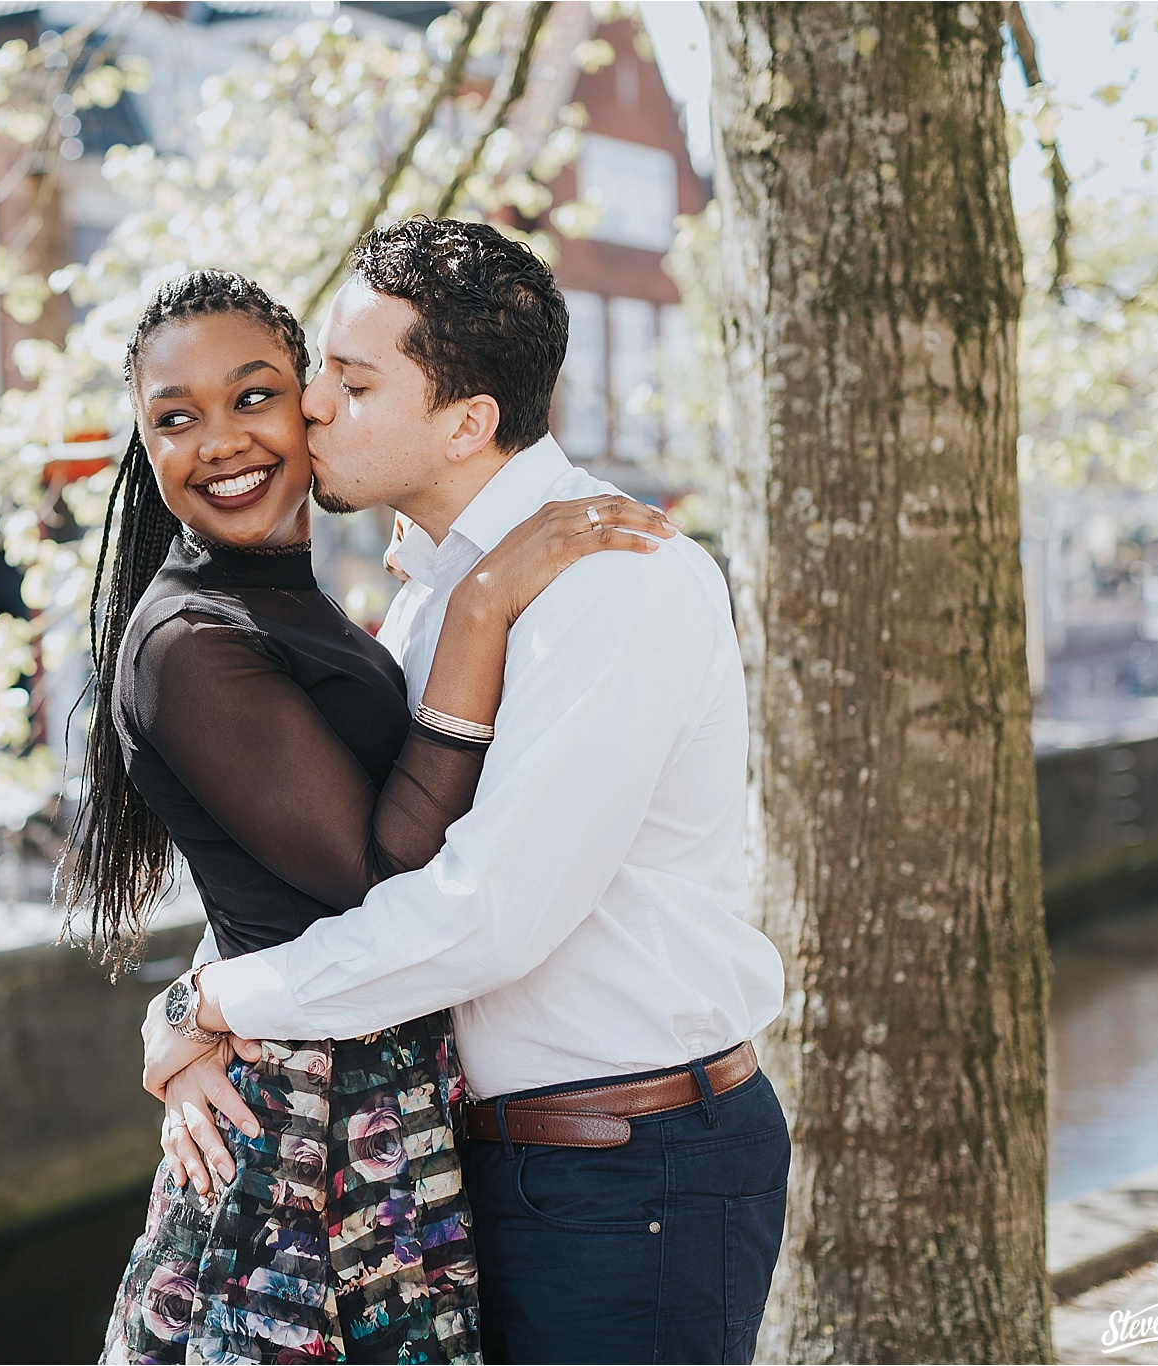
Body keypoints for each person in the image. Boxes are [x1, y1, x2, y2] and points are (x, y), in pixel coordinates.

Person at [140, 219, 792, 1366]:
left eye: (348, 380)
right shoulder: (436, 599)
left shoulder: (610, 582)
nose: (311, 409)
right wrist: (192, 1003)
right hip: (485, 1161)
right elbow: (316, 856)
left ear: (465, 420)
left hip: (627, 1163)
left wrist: (219, 1002)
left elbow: (481, 914)